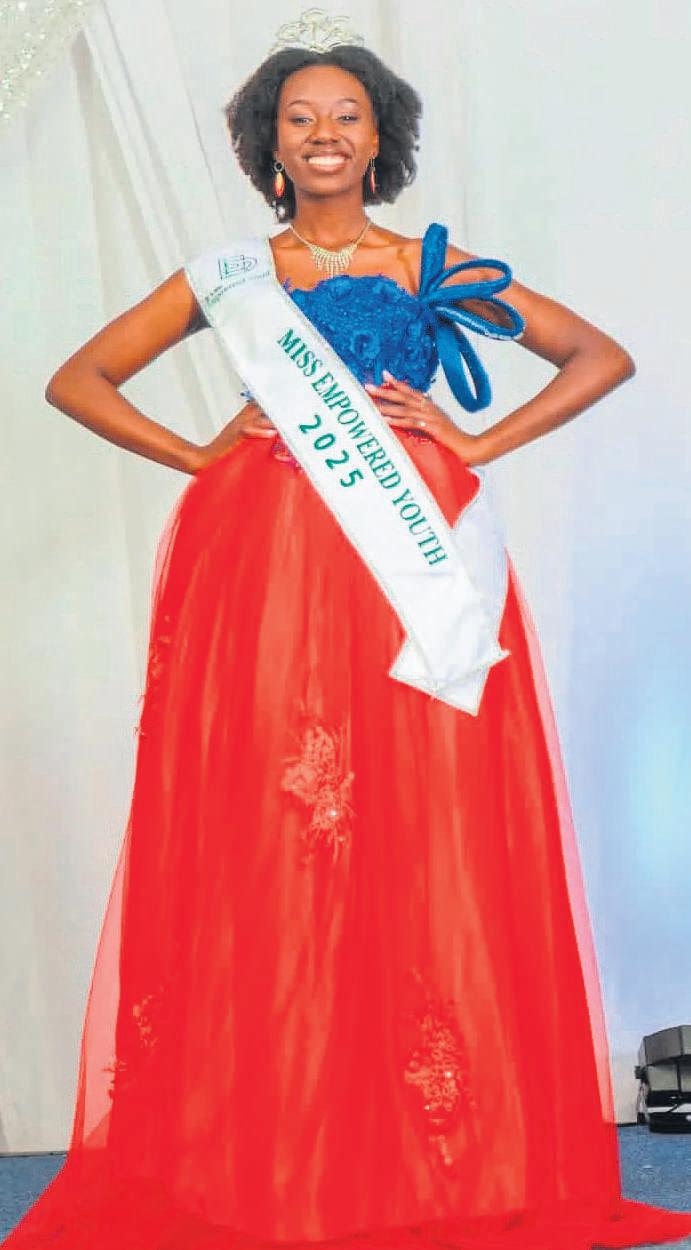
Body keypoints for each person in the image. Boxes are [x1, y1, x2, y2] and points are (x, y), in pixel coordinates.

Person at [4, 12, 691, 1250]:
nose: (323, 134)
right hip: (265, 563)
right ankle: (279, 1136)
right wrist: (199, 452)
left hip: (408, 564)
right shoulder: (231, 275)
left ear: (380, 140)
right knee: (281, 822)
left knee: (422, 819)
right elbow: (77, 379)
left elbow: (599, 354)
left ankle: (417, 1147)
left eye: (346, 116)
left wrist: (474, 440)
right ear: (268, 144)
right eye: (299, 118)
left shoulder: (429, 263)